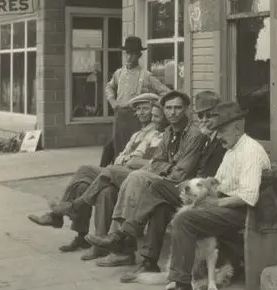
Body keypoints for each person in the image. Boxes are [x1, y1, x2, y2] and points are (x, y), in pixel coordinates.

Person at [90, 90, 226, 279]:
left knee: (146, 183)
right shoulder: (177, 133)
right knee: (149, 202)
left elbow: (183, 172)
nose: (203, 120)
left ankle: (122, 235)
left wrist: (168, 170)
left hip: (196, 192)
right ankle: (148, 261)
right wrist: (167, 167)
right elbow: (157, 162)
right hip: (187, 188)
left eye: (209, 116)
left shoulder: (214, 140)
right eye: (201, 116)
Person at [161, 101, 271, 290]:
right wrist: (197, 197)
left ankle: (183, 285)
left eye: (222, 130)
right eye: (217, 131)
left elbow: (248, 196)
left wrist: (214, 203)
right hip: (225, 204)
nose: (218, 136)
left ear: (238, 128)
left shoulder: (250, 151)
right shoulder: (231, 151)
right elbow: (216, 182)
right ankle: (180, 277)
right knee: (183, 212)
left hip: (242, 211)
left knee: (185, 219)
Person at [26, 93, 165, 252]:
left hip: (134, 177)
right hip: (121, 171)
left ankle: (61, 213)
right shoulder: (138, 134)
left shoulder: (158, 133)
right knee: (83, 185)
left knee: (86, 170)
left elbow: (141, 162)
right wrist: (124, 161)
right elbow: (122, 157)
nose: (141, 113)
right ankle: (82, 237)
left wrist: (126, 162)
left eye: (146, 109)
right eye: (138, 109)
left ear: (156, 111)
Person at [103, 36, 170, 165]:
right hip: (119, 115)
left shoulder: (145, 75)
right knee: (117, 147)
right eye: (127, 53)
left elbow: (165, 92)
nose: (129, 57)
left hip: (136, 117)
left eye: (133, 54)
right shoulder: (119, 73)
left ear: (139, 55)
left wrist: (153, 106)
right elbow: (109, 87)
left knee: (135, 146)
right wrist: (113, 102)